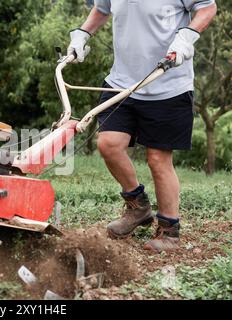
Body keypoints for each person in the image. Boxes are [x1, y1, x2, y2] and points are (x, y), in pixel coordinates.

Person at [68, 0, 217, 251]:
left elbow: (207, 7)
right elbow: (102, 8)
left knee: (158, 160)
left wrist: (186, 37)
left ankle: (170, 232)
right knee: (108, 144)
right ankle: (138, 208)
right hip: (121, 82)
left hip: (168, 83)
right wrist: (82, 35)